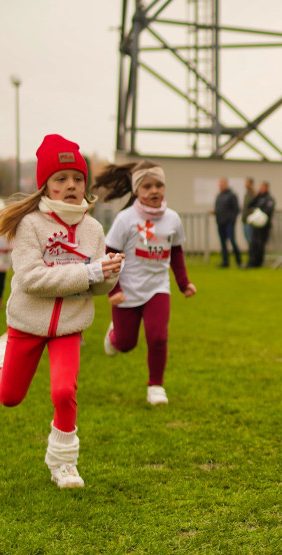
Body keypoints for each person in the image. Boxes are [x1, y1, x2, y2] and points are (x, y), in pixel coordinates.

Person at [0, 135, 123, 489]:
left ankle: (63, 465)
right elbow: (31, 279)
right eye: (61, 179)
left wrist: (108, 274)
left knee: (63, 391)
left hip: (70, 327)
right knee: (10, 397)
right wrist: (90, 272)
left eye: (77, 178)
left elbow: (95, 288)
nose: (71, 185)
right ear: (46, 186)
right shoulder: (30, 225)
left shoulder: (94, 229)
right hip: (27, 324)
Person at [95, 158, 197, 406]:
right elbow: (109, 254)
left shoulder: (172, 218)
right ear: (137, 191)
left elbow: (177, 252)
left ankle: (156, 386)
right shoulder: (125, 219)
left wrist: (183, 283)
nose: (154, 191)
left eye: (158, 186)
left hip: (157, 289)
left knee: (158, 337)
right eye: (147, 187)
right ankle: (113, 335)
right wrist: (114, 290)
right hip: (126, 290)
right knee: (126, 344)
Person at [244, 181, 275, 268]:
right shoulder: (258, 197)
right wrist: (256, 195)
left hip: (264, 226)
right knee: (253, 244)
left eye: (263, 187)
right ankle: (252, 262)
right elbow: (249, 205)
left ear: (267, 188)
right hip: (256, 225)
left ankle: (258, 263)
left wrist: (258, 211)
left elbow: (268, 211)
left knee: (260, 245)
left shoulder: (269, 199)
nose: (261, 189)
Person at [212, 177, 241, 268]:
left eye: (222, 184)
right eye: (220, 184)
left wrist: (231, 219)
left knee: (232, 241)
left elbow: (236, 209)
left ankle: (238, 261)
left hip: (229, 223)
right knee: (223, 243)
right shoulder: (219, 196)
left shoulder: (232, 195)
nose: (220, 186)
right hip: (220, 222)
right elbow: (218, 208)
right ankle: (225, 261)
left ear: (226, 184)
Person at [241, 177, 256, 245]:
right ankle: (251, 254)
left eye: (247, 183)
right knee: (247, 239)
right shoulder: (246, 194)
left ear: (251, 184)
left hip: (250, 221)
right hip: (245, 220)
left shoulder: (254, 194)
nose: (246, 185)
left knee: (251, 240)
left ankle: (253, 255)